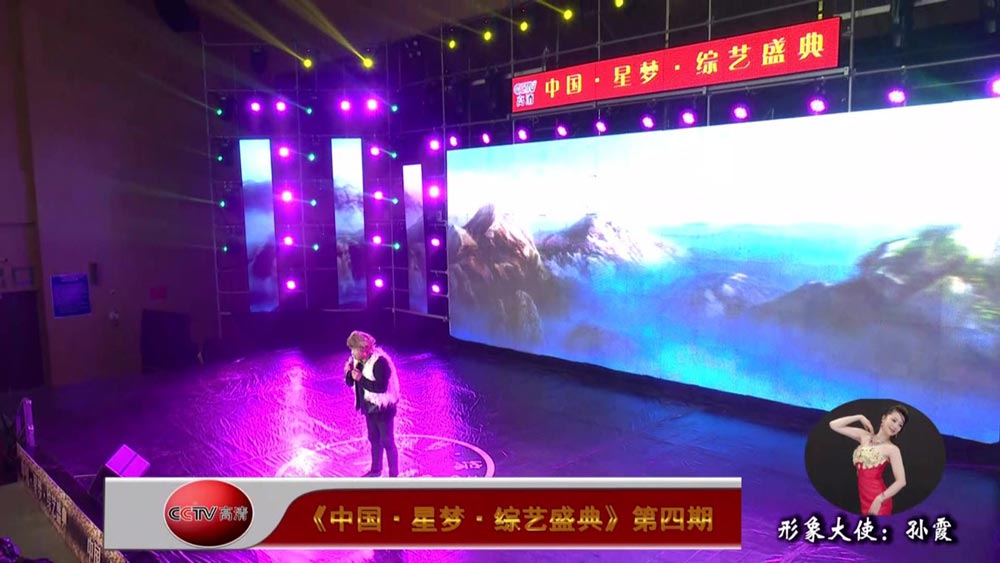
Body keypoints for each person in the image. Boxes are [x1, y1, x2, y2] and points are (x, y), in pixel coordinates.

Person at [829, 404, 909, 515]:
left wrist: (880, 499)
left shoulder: (892, 449)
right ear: (884, 418)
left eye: (900, 425)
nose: (895, 426)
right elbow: (834, 425)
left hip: (879, 501)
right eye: (894, 420)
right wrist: (859, 417)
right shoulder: (864, 436)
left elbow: (901, 481)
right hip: (863, 497)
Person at [344, 331, 401, 477]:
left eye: (353, 349)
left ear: (363, 350)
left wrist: (360, 378)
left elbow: (381, 388)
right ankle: (376, 470)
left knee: (387, 441)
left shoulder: (380, 363)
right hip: (369, 407)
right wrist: (348, 373)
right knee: (374, 439)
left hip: (383, 409)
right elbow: (351, 382)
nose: (351, 353)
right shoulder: (357, 360)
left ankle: (394, 476)